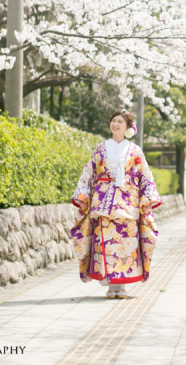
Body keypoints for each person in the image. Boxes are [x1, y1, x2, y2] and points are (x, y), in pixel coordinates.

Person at [71, 109, 161, 299]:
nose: (116, 124)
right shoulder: (100, 148)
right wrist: (83, 195)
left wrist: (147, 199)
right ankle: (111, 286)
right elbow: (89, 173)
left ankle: (122, 287)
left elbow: (145, 176)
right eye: (113, 120)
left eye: (120, 121)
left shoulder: (136, 151)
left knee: (126, 245)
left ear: (128, 127)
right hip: (103, 205)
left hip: (128, 205)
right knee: (106, 245)